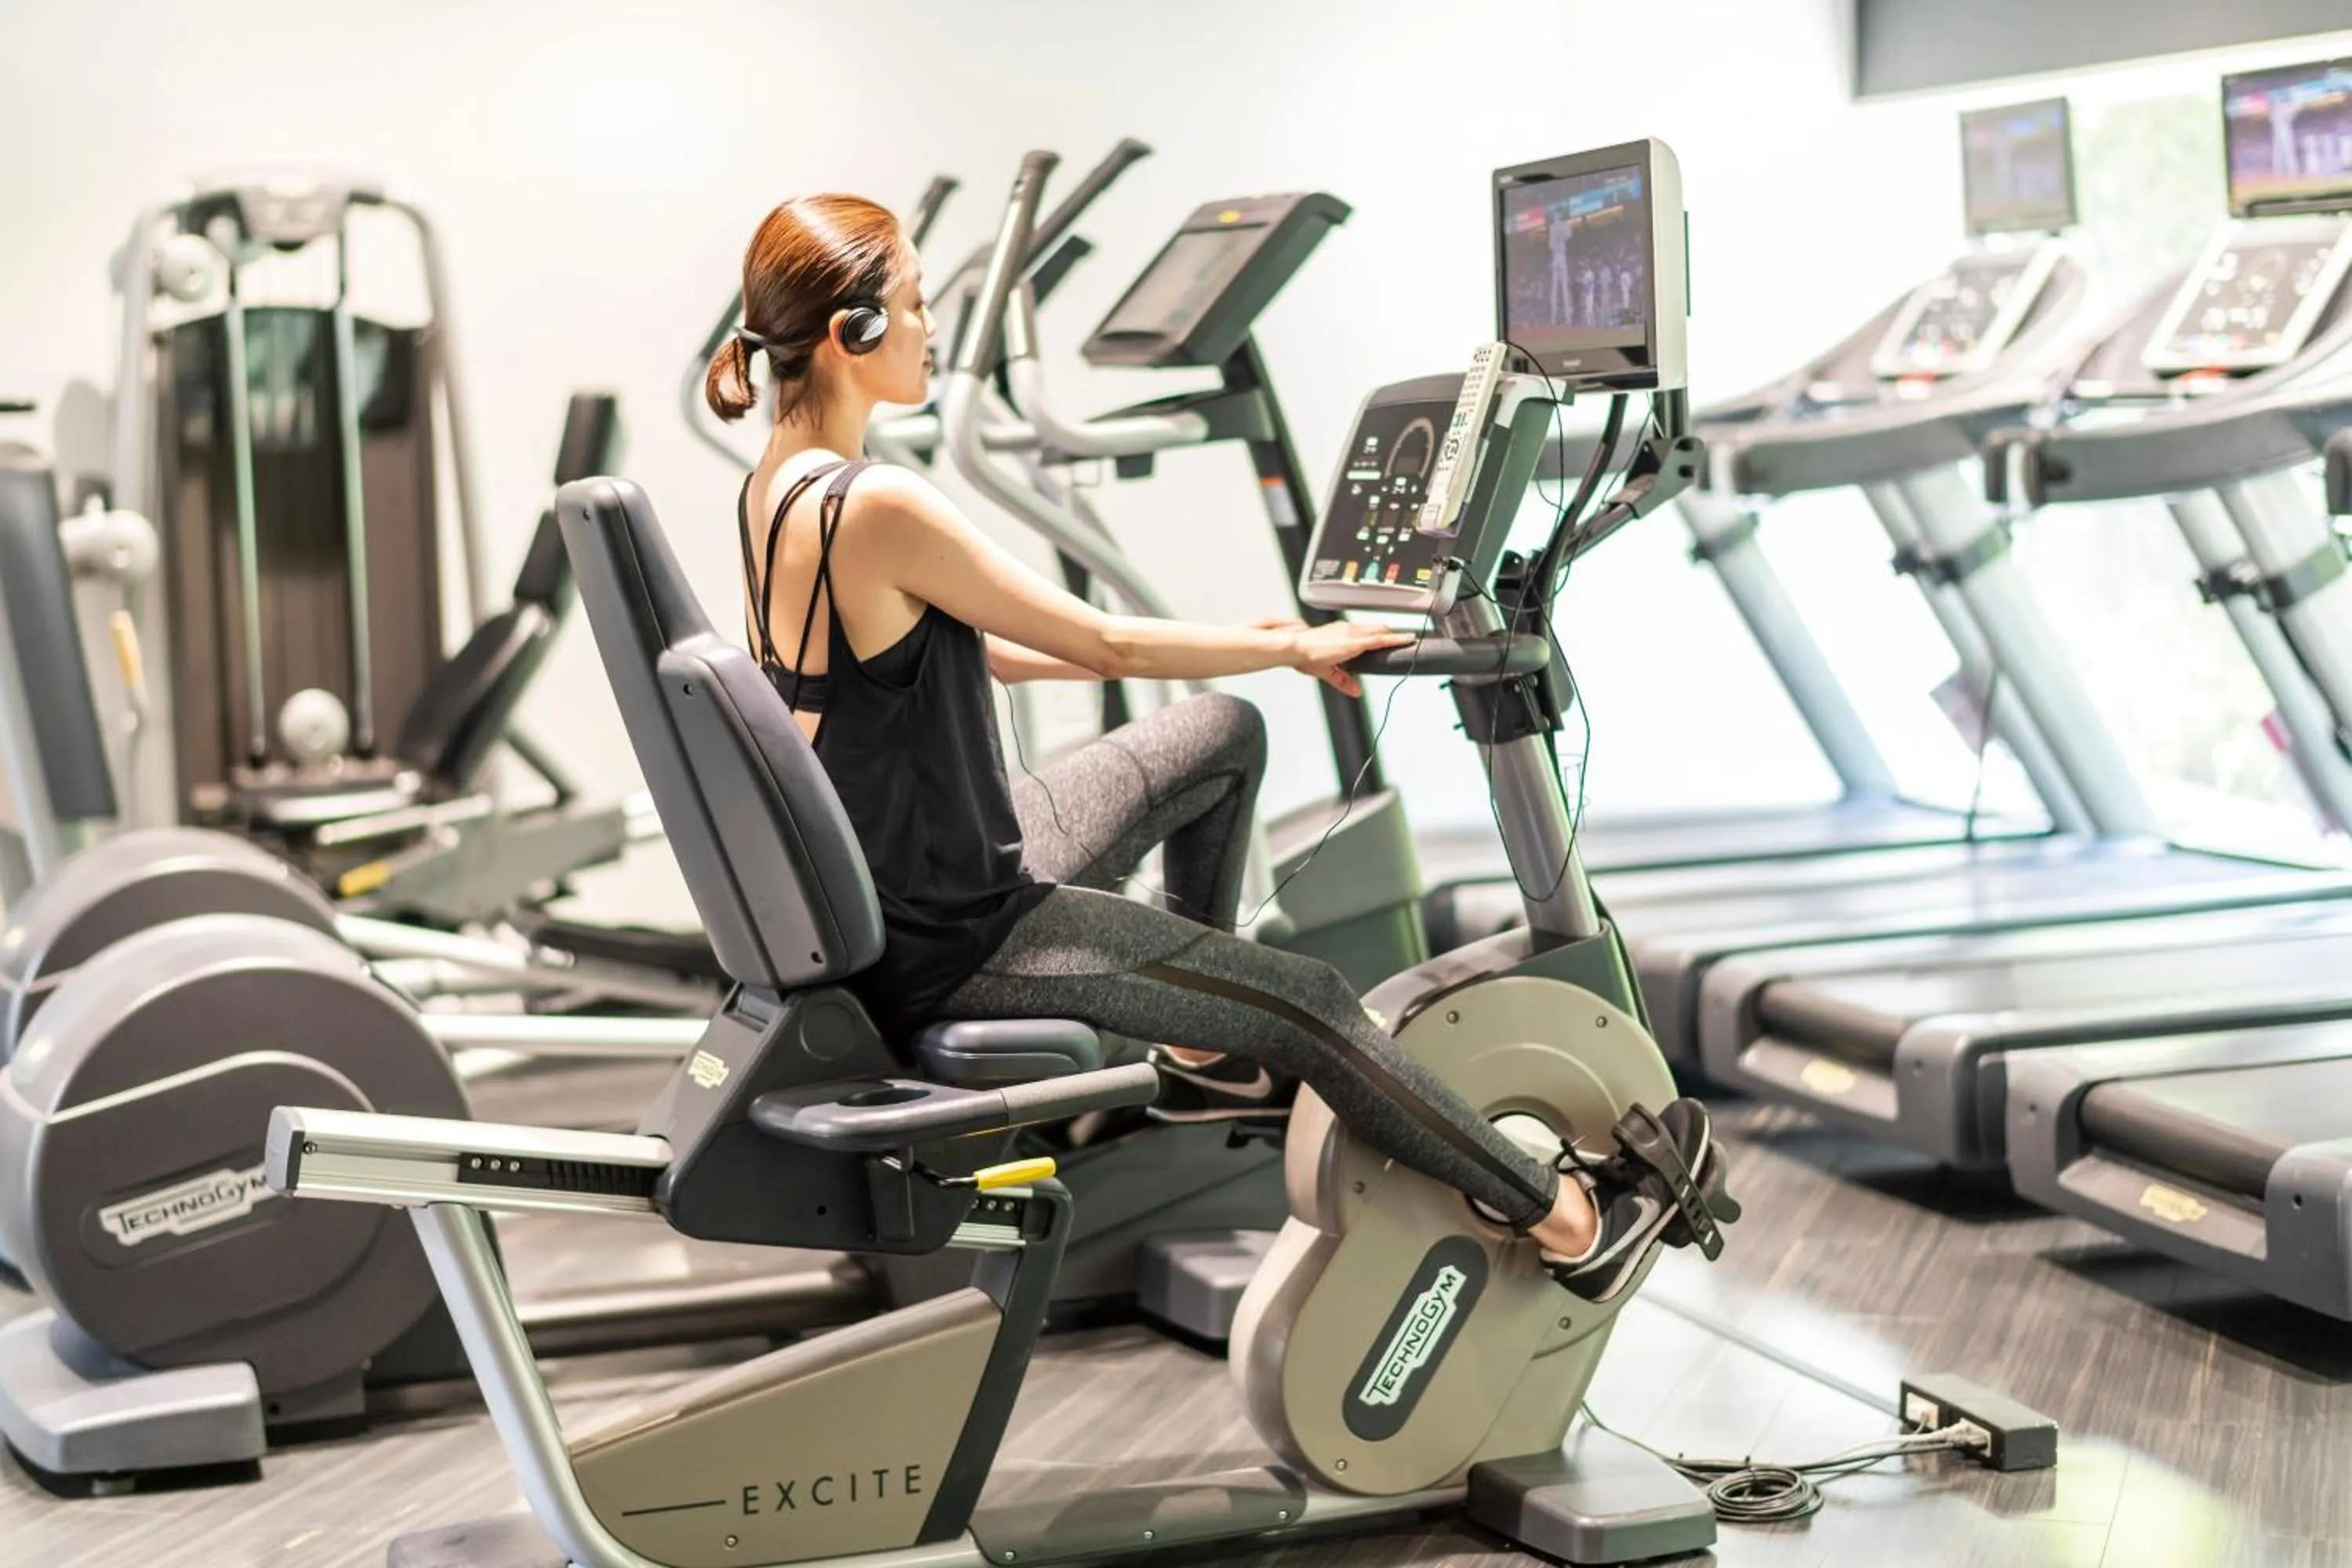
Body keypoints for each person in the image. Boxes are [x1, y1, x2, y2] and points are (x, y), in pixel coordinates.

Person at [703, 192, 1722, 1302]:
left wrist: (1254, 644)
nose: (931, 325)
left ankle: (1198, 1055)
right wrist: (1289, 647)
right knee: (1315, 1002)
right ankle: (1574, 1224)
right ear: (852, 334)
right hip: (961, 933)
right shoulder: (878, 503)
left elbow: (974, 654)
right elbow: (1101, 641)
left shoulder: (776, 488)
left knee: (1220, 735)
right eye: (914, 303)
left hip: (917, 881)